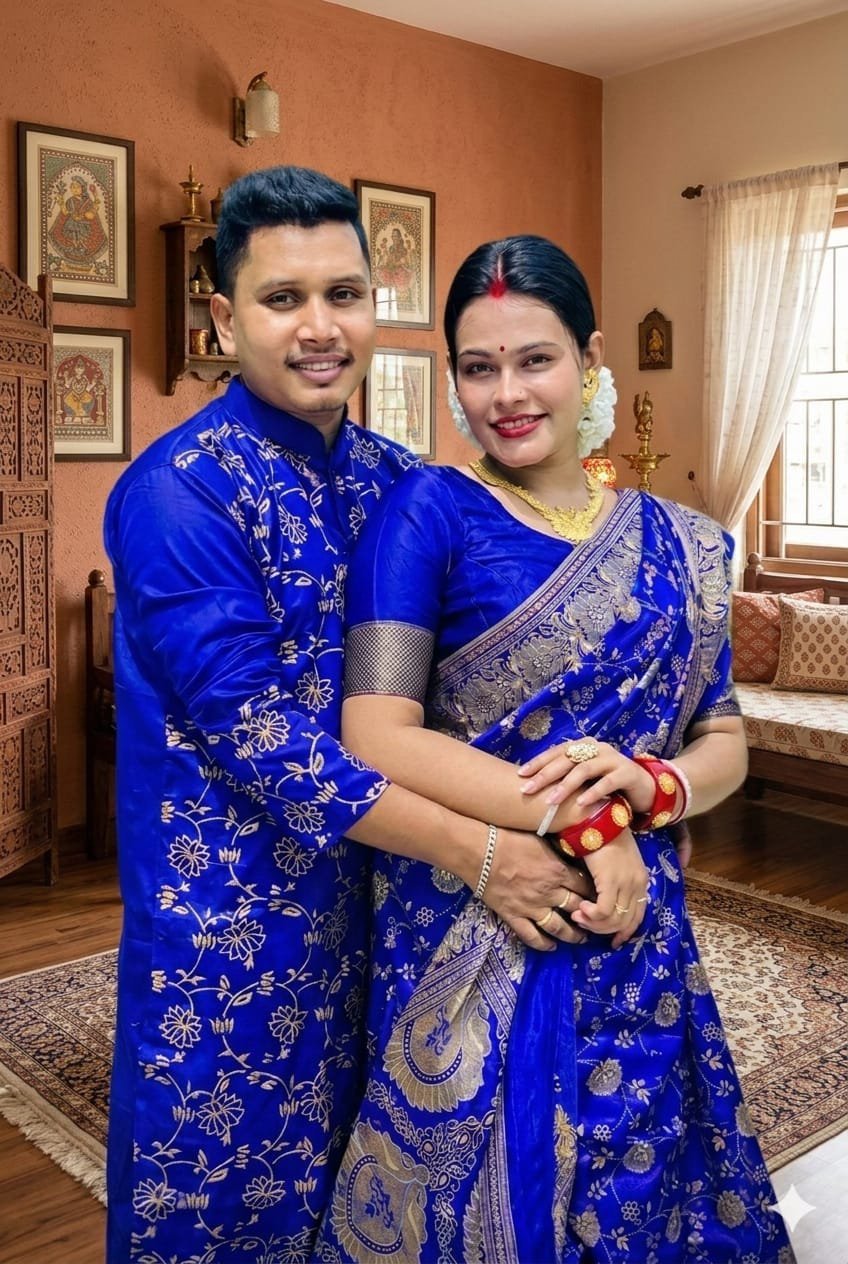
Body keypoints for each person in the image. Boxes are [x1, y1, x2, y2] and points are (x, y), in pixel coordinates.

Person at [103, 174, 591, 1263]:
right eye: (282, 299)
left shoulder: (399, 483)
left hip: (387, 924)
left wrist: (611, 800)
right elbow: (263, 741)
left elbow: (482, 686)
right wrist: (486, 852)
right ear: (224, 316)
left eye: (344, 294)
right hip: (230, 943)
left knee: (373, 1210)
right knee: (216, 1217)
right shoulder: (181, 492)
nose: (319, 327)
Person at [317, 236, 795, 1262]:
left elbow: (722, 739)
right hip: (480, 910)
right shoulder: (426, 514)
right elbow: (375, 731)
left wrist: (654, 788)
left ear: (589, 359)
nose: (506, 394)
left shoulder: (684, 544)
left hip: (635, 924)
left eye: (533, 359)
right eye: (477, 366)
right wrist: (587, 820)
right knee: (498, 1187)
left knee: (642, 1181)